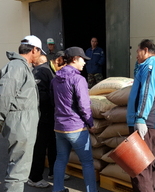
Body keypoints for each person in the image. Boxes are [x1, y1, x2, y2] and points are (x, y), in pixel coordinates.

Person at [0, 35, 44, 192]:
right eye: (39, 51)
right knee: (18, 167)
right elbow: (5, 95)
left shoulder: (23, 67)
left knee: (20, 164)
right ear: (34, 50)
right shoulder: (17, 66)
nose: (40, 55)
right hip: (21, 121)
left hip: (24, 120)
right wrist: (1, 120)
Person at [51, 47, 98, 192]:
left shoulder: (55, 79)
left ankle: (57, 189)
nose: (84, 62)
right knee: (87, 163)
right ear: (75, 59)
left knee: (60, 159)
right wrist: (90, 123)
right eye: (83, 59)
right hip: (76, 128)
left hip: (59, 127)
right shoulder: (78, 79)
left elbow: (54, 102)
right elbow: (84, 105)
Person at [126, 39, 155, 192]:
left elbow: (147, 92)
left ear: (146, 50)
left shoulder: (151, 66)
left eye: (138, 51)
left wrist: (140, 118)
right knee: (148, 168)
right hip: (149, 124)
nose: (136, 55)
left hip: (146, 124)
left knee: (139, 169)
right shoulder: (147, 67)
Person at [28, 51, 70, 188]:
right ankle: (34, 178)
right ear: (58, 60)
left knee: (54, 145)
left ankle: (54, 171)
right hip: (42, 117)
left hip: (52, 116)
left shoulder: (53, 71)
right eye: (64, 65)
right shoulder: (42, 71)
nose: (64, 69)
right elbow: (39, 96)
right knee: (40, 147)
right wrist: (57, 100)